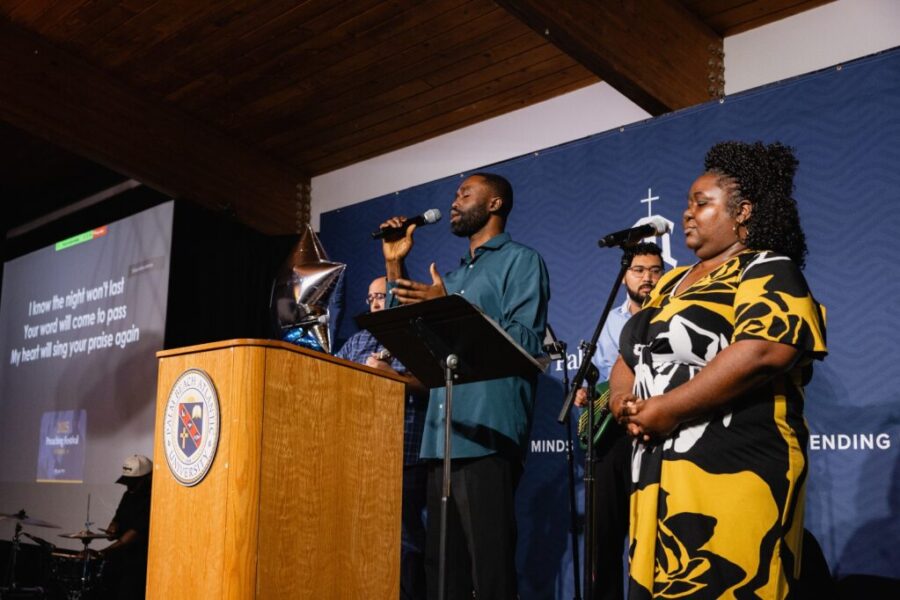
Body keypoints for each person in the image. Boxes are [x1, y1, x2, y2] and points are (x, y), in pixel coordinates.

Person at [610, 141, 827, 598]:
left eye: (701, 203)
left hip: (735, 471)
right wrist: (620, 400)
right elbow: (630, 355)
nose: (687, 213)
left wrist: (668, 408)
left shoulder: (767, 268)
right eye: (688, 203)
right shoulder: (668, 282)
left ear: (743, 211)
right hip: (658, 481)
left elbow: (765, 349)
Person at [379, 172, 550, 599]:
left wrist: (452, 308)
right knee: (443, 576)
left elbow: (526, 342)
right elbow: (410, 334)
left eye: (464, 194)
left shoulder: (521, 261)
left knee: (489, 572)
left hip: (486, 435)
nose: (454, 202)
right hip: (441, 440)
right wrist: (395, 263)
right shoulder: (451, 278)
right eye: (455, 195)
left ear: (494, 204)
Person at [574, 242, 665, 600]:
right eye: (639, 270)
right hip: (610, 438)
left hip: (653, 431)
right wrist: (584, 393)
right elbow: (596, 378)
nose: (647, 277)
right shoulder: (610, 321)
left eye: (655, 270)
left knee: (651, 533)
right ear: (624, 275)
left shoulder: (671, 313)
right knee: (604, 535)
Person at [334, 275, 428, 600]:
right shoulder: (357, 343)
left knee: (405, 541)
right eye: (371, 298)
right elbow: (333, 382)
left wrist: (394, 378)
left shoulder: (415, 337)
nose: (375, 302)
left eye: (381, 296)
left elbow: (432, 383)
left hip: (405, 455)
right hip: (361, 455)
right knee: (359, 538)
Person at [99, 454, 153, 599]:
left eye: (133, 483)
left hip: (138, 564)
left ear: (147, 478)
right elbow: (117, 519)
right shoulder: (128, 495)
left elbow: (134, 535)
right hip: (121, 560)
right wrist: (113, 527)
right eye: (127, 482)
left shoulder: (152, 499)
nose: (129, 486)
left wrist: (102, 553)